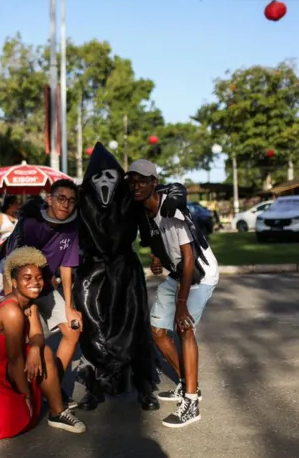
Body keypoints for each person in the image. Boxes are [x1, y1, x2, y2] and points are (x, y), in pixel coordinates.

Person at [0, 247, 87, 442]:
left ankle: (58, 412)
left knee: (44, 352)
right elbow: (15, 360)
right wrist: (26, 396)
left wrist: (36, 348)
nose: (35, 283)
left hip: (1, 367)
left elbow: (37, 334)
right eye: (27, 278)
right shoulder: (12, 312)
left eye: (38, 277)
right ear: (14, 282)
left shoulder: (30, 304)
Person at [129, 159, 220, 428]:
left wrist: (181, 304)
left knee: (184, 328)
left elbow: (189, 257)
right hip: (179, 273)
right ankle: (188, 383)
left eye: (143, 181)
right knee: (157, 330)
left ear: (154, 183)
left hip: (199, 274)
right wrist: (158, 258)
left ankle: (191, 403)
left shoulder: (172, 209)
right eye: (132, 181)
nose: (136, 186)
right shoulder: (143, 211)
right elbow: (157, 240)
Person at [74, 143, 159, 412]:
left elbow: (149, 232)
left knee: (134, 327)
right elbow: (56, 218)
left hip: (125, 271)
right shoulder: (80, 199)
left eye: (110, 175)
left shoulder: (129, 200)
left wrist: (159, 255)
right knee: (93, 329)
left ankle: (144, 385)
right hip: (91, 273)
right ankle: (95, 385)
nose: (104, 181)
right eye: (98, 176)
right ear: (90, 179)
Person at [0, 179, 82, 409]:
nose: (66, 205)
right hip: (15, 284)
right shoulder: (31, 221)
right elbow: (13, 264)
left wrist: (70, 306)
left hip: (44, 285)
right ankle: (10, 391)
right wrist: (19, 305)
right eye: (61, 198)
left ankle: (51, 385)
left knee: (74, 330)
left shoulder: (72, 225)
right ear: (50, 199)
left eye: (71, 201)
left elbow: (67, 267)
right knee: (18, 342)